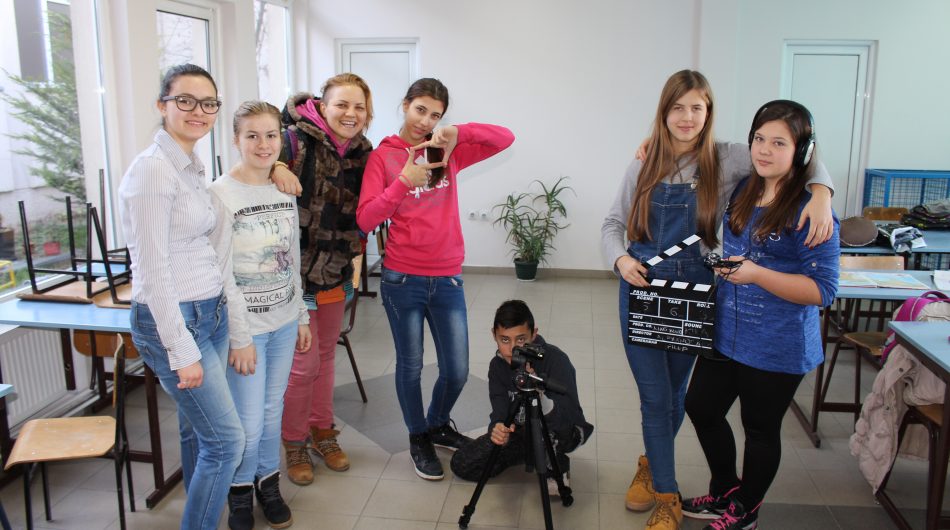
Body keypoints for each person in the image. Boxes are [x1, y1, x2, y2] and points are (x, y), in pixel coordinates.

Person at [600, 70, 835, 530]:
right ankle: (667, 494)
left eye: (697, 107)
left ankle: (650, 465)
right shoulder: (642, 162)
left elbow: (798, 155)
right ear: (663, 111)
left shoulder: (729, 158)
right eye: (677, 107)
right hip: (643, 292)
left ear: (709, 113)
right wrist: (620, 260)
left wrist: (823, 193)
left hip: (697, 297)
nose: (687, 117)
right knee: (655, 398)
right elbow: (612, 224)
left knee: (675, 397)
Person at [681, 100, 839, 530]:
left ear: (802, 151)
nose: (765, 150)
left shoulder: (811, 210)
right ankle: (725, 491)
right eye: (759, 139)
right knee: (701, 407)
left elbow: (823, 291)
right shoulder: (744, 189)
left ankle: (746, 509)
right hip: (727, 333)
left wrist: (756, 274)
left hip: (777, 344)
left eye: (779, 143)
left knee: (759, 430)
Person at [357, 78, 515, 480]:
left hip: (447, 278)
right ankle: (418, 436)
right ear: (405, 105)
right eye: (420, 110)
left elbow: (505, 138)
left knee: (456, 369)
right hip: (402, 279)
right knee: (410, 365)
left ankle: (438, 422)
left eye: (436, 115)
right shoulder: (383, 157)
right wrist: (403, 183)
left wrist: (458, 132)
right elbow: (365, 219)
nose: (425, 120)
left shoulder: (448, 151)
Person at [118, 63, 244, 530]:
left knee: (198, 432)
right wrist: (180, 348)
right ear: (162, 105)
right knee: (226, 442)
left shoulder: (189, 165)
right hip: (175, 321)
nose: (199, 111)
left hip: (209, 312)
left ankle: (200, 510)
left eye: (208, 103)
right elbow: (150, 273)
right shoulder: (153, 170)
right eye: (185, 100)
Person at [209, 100, 311, 530]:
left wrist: (301, 314)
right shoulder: (220, 194)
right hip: (246, 331)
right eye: (252, 135)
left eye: (271, 135)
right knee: (248, 423)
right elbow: (221, 275)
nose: (263, 144)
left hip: (284, 323)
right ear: (236, 140)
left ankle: (268, 484)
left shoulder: (283, 188)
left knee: (272, 412)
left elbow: (292, 257)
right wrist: (240, 337)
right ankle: (238, 493)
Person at [271, 73, 375, 486]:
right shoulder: (292, 140)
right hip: (291, 276)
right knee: (303, 364)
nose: (350, 114)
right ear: (322, 105)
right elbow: (252, 166)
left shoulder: (364, 152)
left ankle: (321, 430)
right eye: (342, 105)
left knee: (327, 356)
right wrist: (277, 165)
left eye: (359, 107)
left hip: (335, 271)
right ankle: (294, 440)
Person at [450, 300, 593, 492]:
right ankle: (530, 454)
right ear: (494, 335)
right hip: (521, 432)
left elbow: (568, 417)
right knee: (462, 463)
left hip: (558, 431)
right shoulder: (497, 366)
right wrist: (498, 428)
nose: (512, 350)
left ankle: (555, 460)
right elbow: (499, 410)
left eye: (521, 340)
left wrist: (538, 393)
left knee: (554, 435)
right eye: (505, 340)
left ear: (534, 334)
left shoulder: (556, 360)